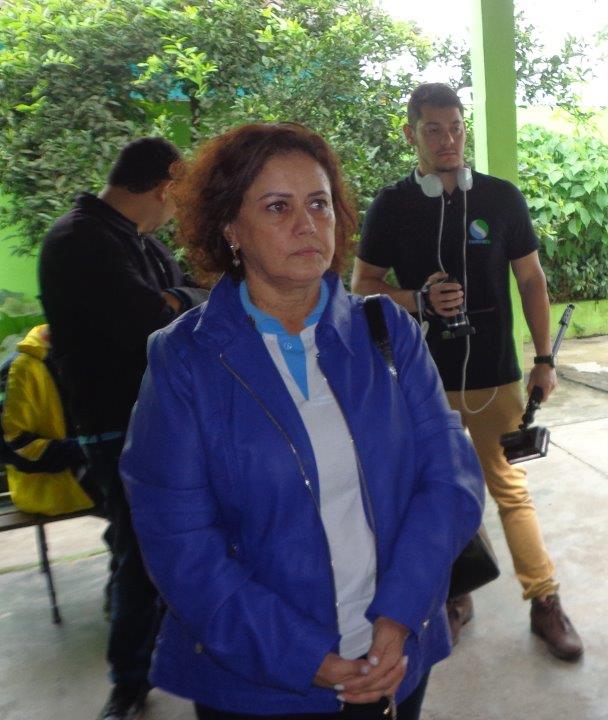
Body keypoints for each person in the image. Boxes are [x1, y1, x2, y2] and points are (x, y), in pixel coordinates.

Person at [118, 123, 486, 718]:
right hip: (259, 681)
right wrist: (307, 658)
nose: (307, 223)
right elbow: (179, 542)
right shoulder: (186, 360)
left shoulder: (386, 332)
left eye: (318, 203)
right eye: (277, 207)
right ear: (230, 228)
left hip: (393, 658)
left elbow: (450, 478)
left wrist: (399, 616)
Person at [351, 82, 583, 661]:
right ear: (411, 134)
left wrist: (544, 359)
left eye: (455, 128)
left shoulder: (501, 199)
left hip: (494, 375)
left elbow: (531, 280)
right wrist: (418, 299)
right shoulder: (392, 206)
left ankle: (545, 600)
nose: (448, 140)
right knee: (437, 492)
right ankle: (456, 594)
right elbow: (362, 287)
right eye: (433, 130)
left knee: (509, 488)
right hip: (418, 377)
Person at [37, 136, 208, 720]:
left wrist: (179, 297)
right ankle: (128, 685)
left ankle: (168, 656)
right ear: (164, 188)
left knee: (164, 544)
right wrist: (180, 300)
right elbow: (153, 322)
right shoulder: (78, 240)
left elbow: (189, 302)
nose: (176, 213)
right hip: (114, 425)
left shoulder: (140, 243)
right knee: (142, 553)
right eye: (178, 199)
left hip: (164, 417)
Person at [0, 323, 95, 515]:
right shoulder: (19, 368)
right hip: (49, 487)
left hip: (86, 472)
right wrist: (87, 449)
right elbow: (12, 446)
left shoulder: (85, 352)